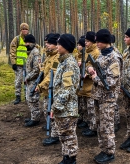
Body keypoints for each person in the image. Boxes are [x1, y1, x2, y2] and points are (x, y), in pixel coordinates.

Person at [87, 29, 121, 164]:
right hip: (98, 96)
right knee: (100, 125)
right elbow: (97, 69)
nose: (97, 44)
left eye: (99, 41)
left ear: (106, 41)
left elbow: (111, 82)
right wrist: (90, 69)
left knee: (107, 127)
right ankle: (104, 149)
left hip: (108, 97)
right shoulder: (102, 55)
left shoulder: (114, 57)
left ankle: (110, 152)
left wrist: (95, 77)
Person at [51, 34, 80, 164]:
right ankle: (66, 157)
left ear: (66, 46)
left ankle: (71, 159)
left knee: (68, 135)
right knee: (63, 135)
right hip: (62, 108)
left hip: (67, 109)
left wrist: (56, 106)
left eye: (59, 44)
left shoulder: (69, 64)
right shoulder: (63, 61)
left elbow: (67, 89)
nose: (57, 47)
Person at [37, 34, 61, 145]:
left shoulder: (57, 57)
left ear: (56, 45)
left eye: (50, 44)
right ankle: (52, 129)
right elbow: (45, 69)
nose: (47, 45)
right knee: (46, 109)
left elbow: (52, 75)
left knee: (52, 112)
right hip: (47, 89)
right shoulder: (49, 55)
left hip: (53, 89)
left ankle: (55, 135)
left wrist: (41, 85)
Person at [82, 31, 101, 137]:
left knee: (92, 108)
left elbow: (96, 69)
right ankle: (90, 125)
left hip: (91, 85)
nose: (86, 43)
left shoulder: (96, 53)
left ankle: (93, 128)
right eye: (85, 41)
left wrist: (88, 74)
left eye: (88, 41)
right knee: (88, 108)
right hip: (86, 85)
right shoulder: (87, 52)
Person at [23, 34, 41, 127]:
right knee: (29, 99)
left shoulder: (35, 53)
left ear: (32, 42)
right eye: (25, 42)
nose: (26, 44)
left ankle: (36, 118)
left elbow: (36, 70)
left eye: (28, 42)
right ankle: (33, 116)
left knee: (33, 99)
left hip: (34, 81)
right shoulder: (31, 52)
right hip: (30, 80)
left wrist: (28, 77)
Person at [10, 23, 29, 105]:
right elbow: (12, 51)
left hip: (28, 65)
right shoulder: (16, 39)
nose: (24, 30)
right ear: (20, 30)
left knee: (28, 81)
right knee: (18, 81)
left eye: (26, 29)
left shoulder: (30, 38)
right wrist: (13, 63)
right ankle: (18, 97)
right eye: (23, 29)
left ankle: (27, 96)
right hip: (19, 65)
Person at [76, 35, 89, 129]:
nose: (78, 47)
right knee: (82, 105)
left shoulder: (90, 54)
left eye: (80, 45)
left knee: (89, 107)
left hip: (88, 86)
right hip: (81, 85)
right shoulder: (77, 55)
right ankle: (83, 119)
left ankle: (90, 124)